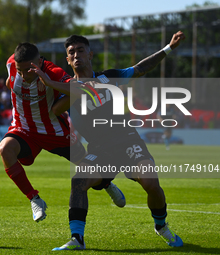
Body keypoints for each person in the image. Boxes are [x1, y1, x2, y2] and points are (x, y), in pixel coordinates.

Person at [31, 31, 185, 249]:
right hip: (101, 150)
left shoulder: (109, 77)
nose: (76, 55)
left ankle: (161, 226)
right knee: (79, 181)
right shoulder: (67, 94)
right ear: (67, 60)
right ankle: (77, 238)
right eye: (71, 52)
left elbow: (140, 68)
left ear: (90, 54)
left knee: (151, 183)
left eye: (80, 50)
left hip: (128, 140)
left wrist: (168, 48)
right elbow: (55, 109)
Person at [0, 43, 125, 223]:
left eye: (29, 70)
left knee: (86, 169)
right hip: (23, 128)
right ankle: (35, 199)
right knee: (5, 149)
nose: (24, 75)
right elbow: (10, 79)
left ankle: (106, 183)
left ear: (40, 62)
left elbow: (81, 89)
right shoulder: (12, 65)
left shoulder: (54, 72)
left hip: (54, 131)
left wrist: (49, 83)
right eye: (20, 70)